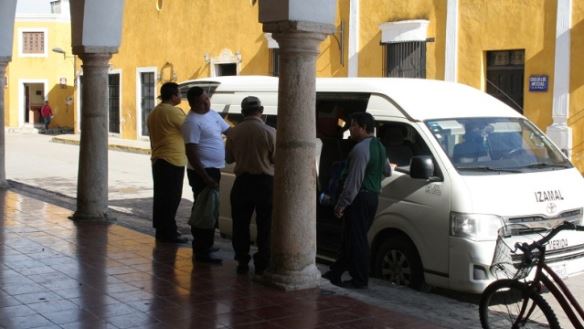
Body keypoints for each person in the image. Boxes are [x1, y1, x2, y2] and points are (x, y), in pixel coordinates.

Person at [322, 112, 391, 289]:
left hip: (360, 198)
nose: (350, 129)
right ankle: (336, 271)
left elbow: (354, 182)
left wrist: (341, 205)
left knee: (357, 240)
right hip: (372, 197)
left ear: (363, 128)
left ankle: (359, 279)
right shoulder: (379, 147)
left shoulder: (361, 149)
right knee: (351, 237)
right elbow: (387, 170)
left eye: (353, 125)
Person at [225, 96, 276, 275]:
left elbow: (229, 159)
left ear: (242, 112)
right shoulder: (270, 132)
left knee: (240, 224)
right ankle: (262, 263)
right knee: (265, 224)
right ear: (261, 111)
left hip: (243, 182)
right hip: (265, 183)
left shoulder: (233, 132)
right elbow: (276, 159)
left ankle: (242, 261)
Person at [182, 86, 230, 264]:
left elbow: (228, 131)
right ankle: (201, 250)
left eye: (207, 99)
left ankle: (207, 244)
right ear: (193, 103)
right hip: (201, 171)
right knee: (204, 210)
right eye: (202, 101)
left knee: (212, 210)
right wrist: (205, 177)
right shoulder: (191, 122)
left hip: (215, 169)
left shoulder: (213, 115)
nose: (207, 103)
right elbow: (191, 152)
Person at [147, 82, 188, 244]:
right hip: (172, 160)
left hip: (158, 159)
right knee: (172, 198)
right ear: (173, 96)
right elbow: (189, 129)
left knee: (161, 197)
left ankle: (161, 230)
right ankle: (169, 232)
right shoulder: (172, 112)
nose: (180, 97)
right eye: (179, 94)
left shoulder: (154, 112)